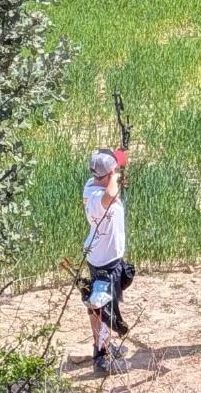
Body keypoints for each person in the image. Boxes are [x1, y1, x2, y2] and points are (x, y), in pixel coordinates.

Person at [82, 147, 133, 375]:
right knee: (103, 307)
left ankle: (103, 345)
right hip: (104, 260)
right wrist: (116, 176)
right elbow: (110, 195)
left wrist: (121, 157)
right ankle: (102, 357)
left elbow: (114, 177)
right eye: (112, 173)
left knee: (102, 304)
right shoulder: (96, 196)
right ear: (107, 175)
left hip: (103, 255)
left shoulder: (96, 182)